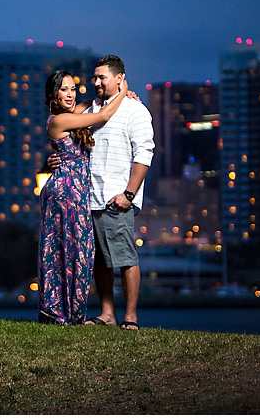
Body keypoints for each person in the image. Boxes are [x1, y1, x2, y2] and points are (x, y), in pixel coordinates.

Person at [39, 69, 128, 325]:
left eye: (72, 88)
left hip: (77, 191)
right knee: (65, 251)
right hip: (65, 192)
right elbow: (102, 115)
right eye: (63, 89)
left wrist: (110, 95)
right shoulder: (57, 121)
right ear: (52, 94)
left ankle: (70, 311)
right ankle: (59, 312)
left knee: (78, 251)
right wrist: (122, 91)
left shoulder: (71, 115)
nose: (69, 94)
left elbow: (88, 105)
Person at [82, 55, 154, 330]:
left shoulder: (135, 110)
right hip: (92, 197)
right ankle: (107, 314)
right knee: (100, 260)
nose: (96, 81)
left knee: (124, 258)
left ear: (119, 79)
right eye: (95, 77)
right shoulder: (91, 111)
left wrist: (129, 194)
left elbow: (144, 154)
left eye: (102, 77)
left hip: (118, 198)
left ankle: (131, 317)